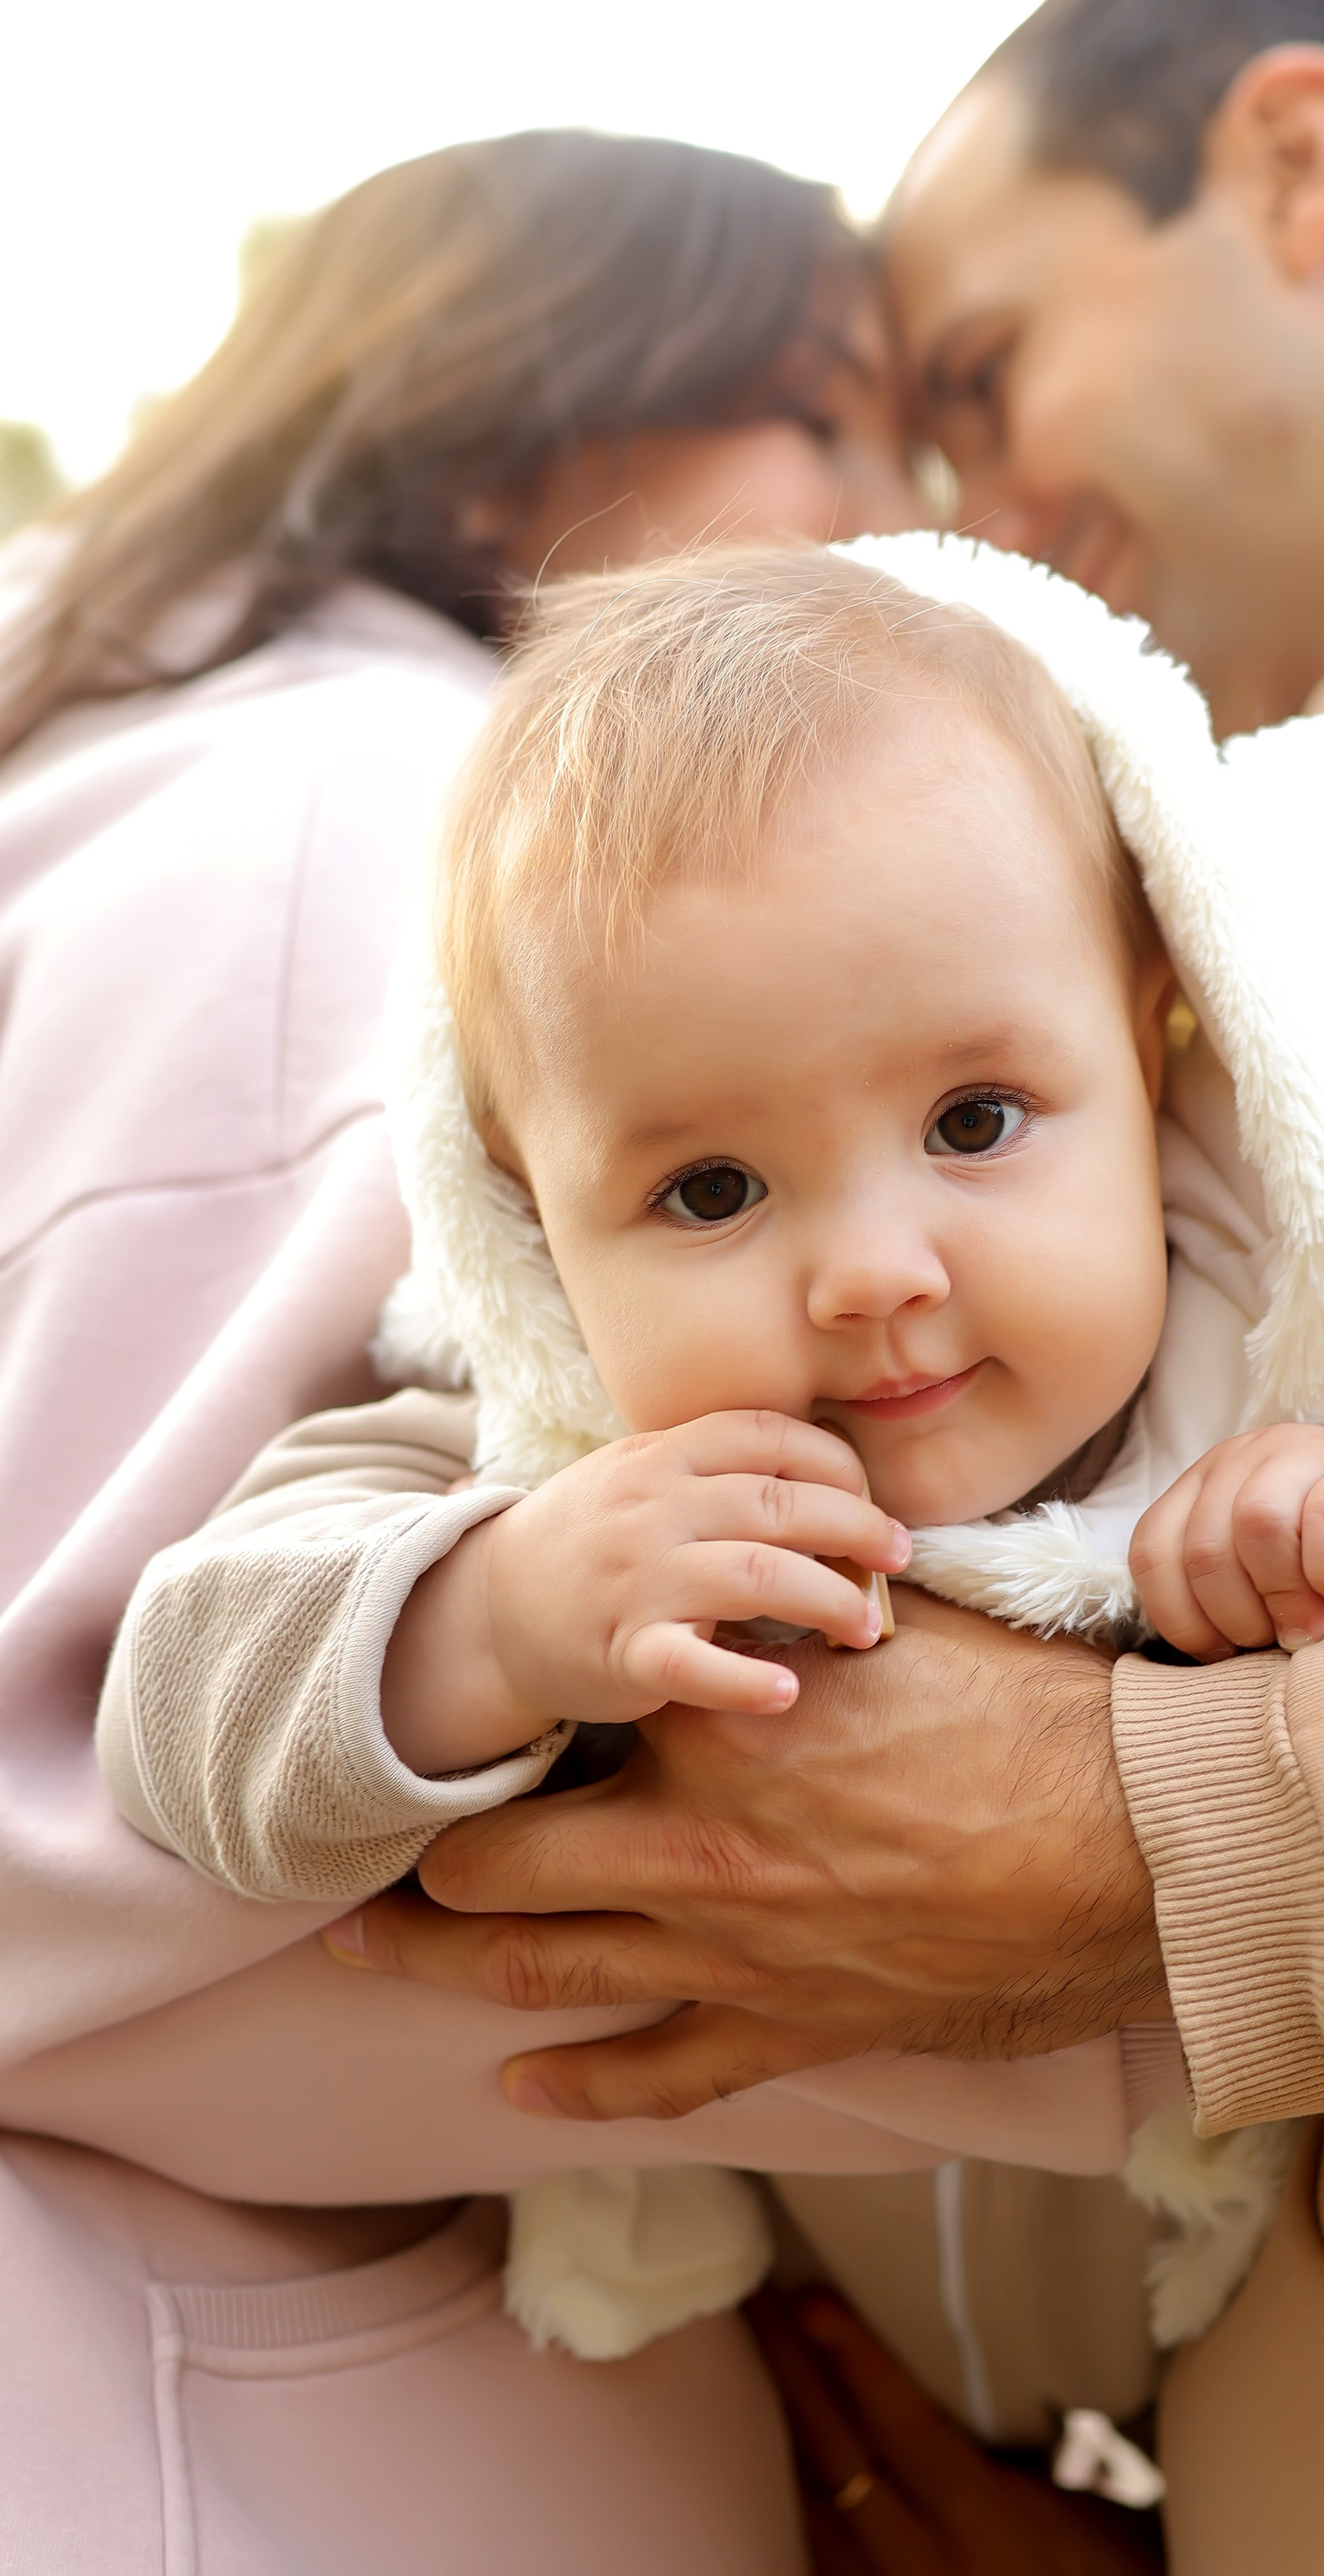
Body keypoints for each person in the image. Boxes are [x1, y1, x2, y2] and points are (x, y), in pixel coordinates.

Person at [325, 4, 1324, 2568]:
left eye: (976, 373)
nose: (962, 507)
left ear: (1294, 157)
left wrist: (1173, 1827)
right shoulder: (1176, 898)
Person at [96, 534, 1324, 2391]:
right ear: (529, 1213)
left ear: (1152, 1033)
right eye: (708, 1190)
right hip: (820, 2377)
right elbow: (176, 1714)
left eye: (973, 1120)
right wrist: (486, 1615)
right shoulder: (553, 1461)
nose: (874, 1272)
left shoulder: (1302, 1345)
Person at [0, 126, 931, 2573]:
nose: (892, 516)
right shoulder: (371, 828)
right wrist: (1140, 1988)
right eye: (823, 414)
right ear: (527, 417)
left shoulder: (182, 767)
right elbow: (66, 1818)